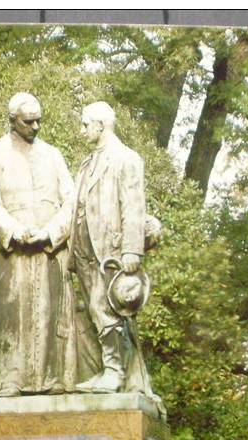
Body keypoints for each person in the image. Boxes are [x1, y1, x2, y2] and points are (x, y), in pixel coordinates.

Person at [0, 92, 76, 397]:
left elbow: (71, 200)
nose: (35, 127)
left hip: (49, 248)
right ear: (12, 120)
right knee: (11, 314)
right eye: (28, 121)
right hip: (13, 250)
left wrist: (51, 232)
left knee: (50, 312)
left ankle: (52, 378)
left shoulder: (53, 155)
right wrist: (15, 231)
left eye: (38, 121)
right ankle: (10, 380)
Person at [69, 101, 160, 404]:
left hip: (110, 250)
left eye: (85, 125)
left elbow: (133, 206)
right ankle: (107, 368)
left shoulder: (126, 159)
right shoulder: (86, 163)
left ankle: (115, 371)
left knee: (105, 309)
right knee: (92, 311)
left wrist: (132, 250)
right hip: (83, 249)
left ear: (100, 125)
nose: (81, 131)